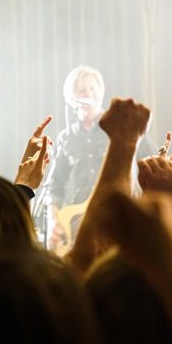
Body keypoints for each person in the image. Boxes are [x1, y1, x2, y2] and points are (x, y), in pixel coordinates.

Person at [48, 66, 109, 249]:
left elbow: (151, 160)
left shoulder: (119, 127)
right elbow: (55, 187)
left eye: (92, 89)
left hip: (114, 219)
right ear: (72, 99)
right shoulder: (66, 138)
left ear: (101, 92)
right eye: (82, 90)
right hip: (77, 226)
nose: (88, 94)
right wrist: (53, 220)